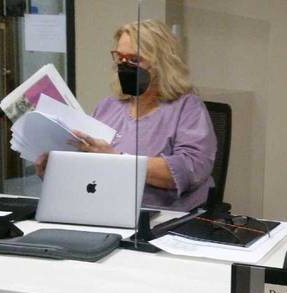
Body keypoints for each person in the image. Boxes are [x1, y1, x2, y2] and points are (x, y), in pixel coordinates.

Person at [36, 20, 217, 211]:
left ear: (161, 64)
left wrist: (118, 160)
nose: (124, 66)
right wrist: (57, 167)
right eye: (119, 58)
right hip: (105, 209)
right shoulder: (108, 107)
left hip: (163, 218)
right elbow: (88, 170)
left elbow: (192, 169)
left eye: (134, 60)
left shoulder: (186, 107)